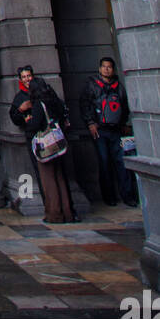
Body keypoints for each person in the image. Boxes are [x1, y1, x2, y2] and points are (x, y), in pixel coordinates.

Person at [79, 57, 138, 208]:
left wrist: (124, 123)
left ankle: (128, 195)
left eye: (109, 67)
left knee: (122, 163)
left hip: (116, 130)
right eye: (104, 67)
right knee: (104, 163)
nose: (107, 69)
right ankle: (109, 196)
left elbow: (124, 105)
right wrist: (90, 123)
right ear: (100, 69)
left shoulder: (119, 86)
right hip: (100, 130)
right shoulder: (92, 85)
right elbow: (84, 104)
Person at [23, 76, 75, 224]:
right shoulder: (55, 101)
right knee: (60, 177)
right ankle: (67, 212)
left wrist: (29, 123)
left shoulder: (40, 104)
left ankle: (55, 214)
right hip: (59, 142)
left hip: (46, 145)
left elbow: (34, 125)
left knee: (48, 180)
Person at [9, 63, 41, 181]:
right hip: (33, 136)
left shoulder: (42, 90)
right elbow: (14, 117)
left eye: (28, 76)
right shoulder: (19, 97)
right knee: (39, 169)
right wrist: (21, 110)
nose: (27, 79)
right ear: (20, 79)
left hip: (48, 134)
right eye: (24, 77)